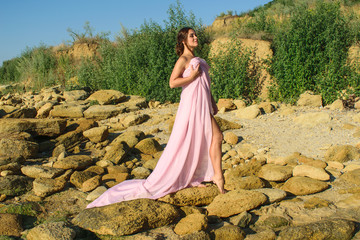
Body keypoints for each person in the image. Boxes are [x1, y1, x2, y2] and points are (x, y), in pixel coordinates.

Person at [86, 27, 225, 209]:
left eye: (195, 35)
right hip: (191, 105)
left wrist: (212, 102)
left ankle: (202, 175)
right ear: (183, 40)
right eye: (192, 36)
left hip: (202, 104)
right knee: (199, 139)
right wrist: (192, 76)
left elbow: (204, 85)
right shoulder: (183, 60)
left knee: (208, 138)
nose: (196, 37)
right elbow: (172, 82)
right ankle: (215, 176)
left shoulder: (197, 60)